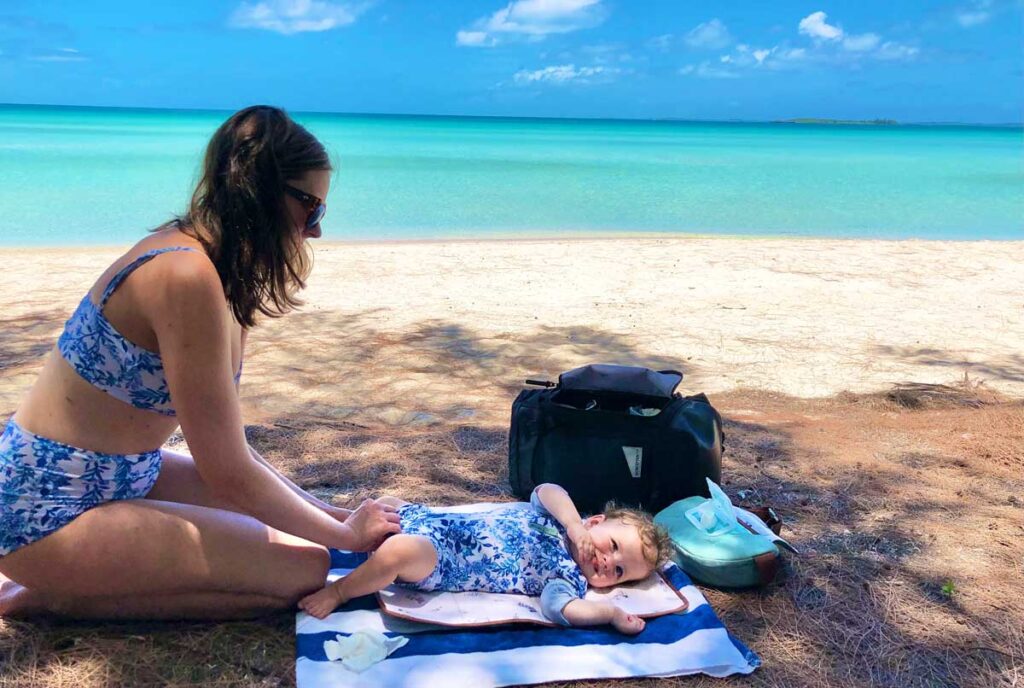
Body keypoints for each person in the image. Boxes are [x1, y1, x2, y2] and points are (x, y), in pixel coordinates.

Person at [0, 105, 400, 620]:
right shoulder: (184, 276)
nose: (316, 230)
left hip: (126, 473)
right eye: (312, 209)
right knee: (302, 570)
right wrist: (344, 535)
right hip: (44, 510)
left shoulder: (220, 276)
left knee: (301, 539)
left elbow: (232, 451)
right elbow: (227, 471)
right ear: (261, 193)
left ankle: (84, 577)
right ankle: (56, 593)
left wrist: (335, 515)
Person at [298, 483, 673, 634]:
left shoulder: (566, 578)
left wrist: (607, 613)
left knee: (399, 551)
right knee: (382, 506)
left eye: (620, 572)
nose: (608, 562)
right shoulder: (560, 519)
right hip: (422, 515)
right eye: (612, 545)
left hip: (439, 558)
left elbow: (561, 609)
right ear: (594, 522)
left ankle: (340, 592)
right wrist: (573, 526)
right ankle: (321, 522)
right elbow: (546, 489)